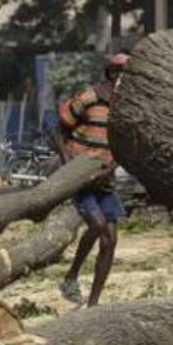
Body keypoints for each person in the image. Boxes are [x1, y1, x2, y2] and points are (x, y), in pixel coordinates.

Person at [57, 53, 130, 307]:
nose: (122, 77)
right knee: (97, 225)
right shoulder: (89, 97)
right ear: (110, 73)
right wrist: (68, 166)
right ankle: (71, 277)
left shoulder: (127, 108)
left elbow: (123, 145)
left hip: (105, 180)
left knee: (110, 241)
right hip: (81, 176)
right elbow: (59, 128)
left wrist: (111, 168)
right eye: (119, 71)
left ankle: (93, 304)